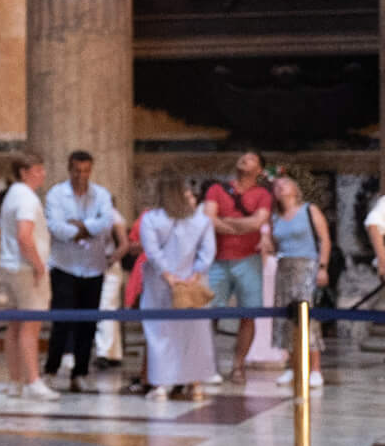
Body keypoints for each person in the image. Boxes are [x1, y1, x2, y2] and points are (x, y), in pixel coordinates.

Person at [42, 151, 120, 393]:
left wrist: (80, 227)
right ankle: (52, 370)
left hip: (93, 267)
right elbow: (56, 227)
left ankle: (81, 372)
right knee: (62, 321)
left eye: (86, 171)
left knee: (88, 323)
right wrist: (86, 229)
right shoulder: (56, 194)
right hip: (64, 266)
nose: (81, 176)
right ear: (69, 169)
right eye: (77, 170)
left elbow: (106, 223)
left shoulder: (101, 195)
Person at [138, 173, 216, 401]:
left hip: (161, 285)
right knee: (194, 334)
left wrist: (168, 275)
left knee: (160, 333)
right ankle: (196, 384)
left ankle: (160, 384)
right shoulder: (201, 221)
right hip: (192, 283)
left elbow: (152, 252)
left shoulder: (151, 219)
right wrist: (195, 274)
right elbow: (208, 251)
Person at [201, 151, 274, 382]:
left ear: (260, 170)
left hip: (248, 259)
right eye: (243, 157)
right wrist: (241, 226)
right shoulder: (217, 190)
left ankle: (238, 365)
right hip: (217, 259)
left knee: (248, 314)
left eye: (251, 158)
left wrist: (229, 222)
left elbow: (258, 221)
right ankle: (208, 365)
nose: (244, 159)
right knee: (209, 314)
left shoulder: (263, 194)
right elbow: (208, 219)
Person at [0, 154, 56, 400]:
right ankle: (33, 380)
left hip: (8, 266)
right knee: (30, 326)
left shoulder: (12, 194)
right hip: (25, 268)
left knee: (13, 326)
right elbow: (24, 235)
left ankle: (15, 381)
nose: (42, 173)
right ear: (23, 172)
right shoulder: (27, 198)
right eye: (37, 169)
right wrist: (38, 264)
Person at [268, 174, 330, 391]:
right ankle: (292, 364)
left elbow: (324, 239)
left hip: (307, 266)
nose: (280, 187)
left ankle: (315, 369)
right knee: (286, 317)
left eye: (284, 183)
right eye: (276, 185)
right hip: (284, 267)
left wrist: (323, 267)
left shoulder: (309, 210)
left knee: (307, 315)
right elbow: (274, 245)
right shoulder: (274, 217)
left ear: (295, 189)